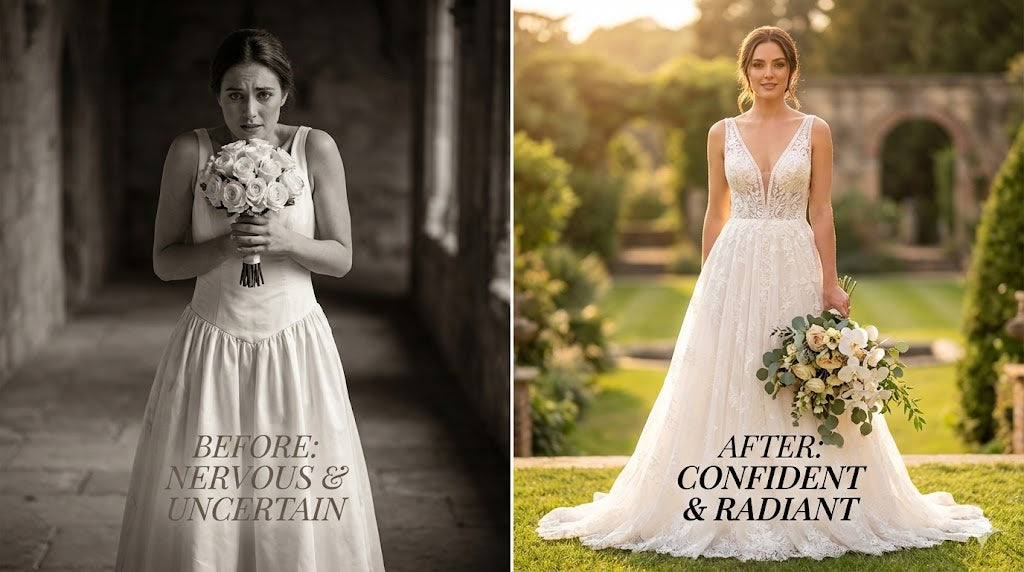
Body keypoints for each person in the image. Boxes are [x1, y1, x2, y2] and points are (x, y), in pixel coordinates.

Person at [536, 26, 994, 561]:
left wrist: (828, 281)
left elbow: (822, 211)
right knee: (730, 372)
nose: (769, 72)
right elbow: (714, 211)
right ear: (746, 71)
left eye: (778, 63)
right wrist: (708, 281)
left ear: (791, 71)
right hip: (735, 262)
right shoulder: (720, 132)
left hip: (795, 260)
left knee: (800, 374)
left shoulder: (816, 130)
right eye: (759, 64)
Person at [115, 29, 386, 571]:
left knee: (297, 493)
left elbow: (341, 257)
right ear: (218, 95)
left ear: (284, 92)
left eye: (263, 94)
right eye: (235, 94)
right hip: (211, 344)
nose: (250, 109)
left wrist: (285, 242)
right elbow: (165, 262)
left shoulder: (317, 148)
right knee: (204, 493)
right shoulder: (189, 150)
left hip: (295, 345)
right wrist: (220, 247)